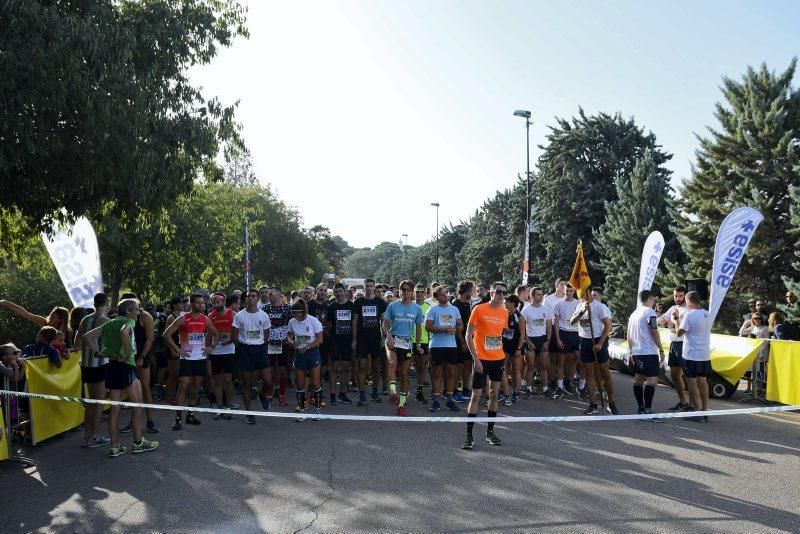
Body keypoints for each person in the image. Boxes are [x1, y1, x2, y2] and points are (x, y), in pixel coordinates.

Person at [83, 299, 159, 457]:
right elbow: (124, 332)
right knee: (137, 404)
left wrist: (97, 353)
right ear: (129, 311)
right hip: (125, 366)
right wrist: (127, 352)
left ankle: (115, 446)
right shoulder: (129, 322)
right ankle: (138, 443)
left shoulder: (109, 323)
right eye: (137, 310)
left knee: (115, 408)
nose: (139, 312)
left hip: (111, 366)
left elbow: (87, 336)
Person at [462, 282, 508, 450]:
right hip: (481, 360)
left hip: (498, 359)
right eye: (498, 292)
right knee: (476, 396)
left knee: (494, 395)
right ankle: (469, 435)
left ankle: (490, 432)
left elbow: (499, 335)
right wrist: (476, 359)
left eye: (504, 292)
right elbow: (468, 335)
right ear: (491, 292)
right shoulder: (479, 309)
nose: (501, 295)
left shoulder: (504, 313)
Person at [163, 293, 218, 430]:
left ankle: (190, 414)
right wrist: (178, 350)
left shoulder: (205, 319)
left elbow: (216, 335)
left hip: (200, 358)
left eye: (203, 303)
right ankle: (177, 418)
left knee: (195, 387)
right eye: (198, 303)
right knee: (183, 387)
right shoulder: (183, 318)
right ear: (191, 304)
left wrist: (211, 347)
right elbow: (166, 335)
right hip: (186, 359)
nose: (201, 305)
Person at [570, 287, 618, 415]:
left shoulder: (599, 306)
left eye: (583, 292)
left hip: (598, 340)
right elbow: (572, 321)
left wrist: (600, 343)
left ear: (588, 292)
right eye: (579, 292)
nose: (581, 295)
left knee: (604, 373)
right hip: (585, 341)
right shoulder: (580, 305)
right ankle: (593, 404)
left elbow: (608, 325)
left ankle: (611, 403)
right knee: (588, 373)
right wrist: (582, 312)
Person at [73, 293, 111, 448]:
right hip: (100, 364)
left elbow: (77, 342)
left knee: (91, 402)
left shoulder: (85, 319)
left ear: (94, 303)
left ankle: (87, 435)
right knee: (99, 402)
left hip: (87, 365)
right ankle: (93, 437)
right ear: (106, 303)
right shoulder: (105, 320)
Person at [382, 280, 424, 416]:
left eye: (407, 290)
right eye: (402, 289)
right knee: (392, 363)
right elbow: (385, 323)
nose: (405, 292)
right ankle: (393, 392)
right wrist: (388, 334)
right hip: (393, 339)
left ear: (412, 292)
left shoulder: (416, 308)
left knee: (404, 375)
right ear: (399, 291)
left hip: (407, 343)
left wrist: (418, 344)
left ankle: (401, 405)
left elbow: (418, 327)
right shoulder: (392, 306)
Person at [119, 292, 158, 435]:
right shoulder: (122, 316)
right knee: (130, 389)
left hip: (142, 355)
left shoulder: (145, 317)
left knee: (145, 388)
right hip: (128, 356)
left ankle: (150, 420)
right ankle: (133, 421)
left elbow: (150, 339)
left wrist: (141, 357)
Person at [231, 289, 272, 424]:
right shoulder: (239, 316)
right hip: (245, 350)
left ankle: (262, 394)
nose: (250, 298)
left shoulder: (264, 315)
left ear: (258, 298)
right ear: (245, 299)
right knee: (246, 383)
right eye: (248, 296)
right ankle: (249, 413)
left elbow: (266, 334)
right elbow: (234, 336)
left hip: (260, 349)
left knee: (268, 381)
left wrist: (259, 344)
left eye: (253, 296)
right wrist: (243, 346)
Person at [426, 286, 465, 412]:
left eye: (445, 294)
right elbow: (428, 327)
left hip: (451, 346)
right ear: (436, 297)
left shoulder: (454, 309)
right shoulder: (433, 309)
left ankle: (449, 400)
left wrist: (456, 329)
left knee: (450, 375)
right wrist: (442, 330)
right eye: (441, 295)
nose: (445, 296)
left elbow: (461, 325)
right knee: (437, 375)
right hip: (437, 346)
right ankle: (436, 401)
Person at [627, 290, 665, 419]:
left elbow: (628, 335)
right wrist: (660, 349)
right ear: (650, 298)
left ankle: (640, 408)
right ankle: (647, 410)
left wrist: (631, 351)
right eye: (653, 299)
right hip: (648, 351)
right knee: (652, 380)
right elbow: (654, 330)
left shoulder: (634, 313)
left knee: (638, 379)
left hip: (637, 351)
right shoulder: (649, 311)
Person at [352, 278, 388, 405]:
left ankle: (374, 392)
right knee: (361, 366)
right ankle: (362, 394)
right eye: (366, 286)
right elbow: (355, 322)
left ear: (374, 287)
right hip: (362, 339)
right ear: (363, 287)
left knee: (376, 367)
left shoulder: (380, 302)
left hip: (376, 338)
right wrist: (354, 340)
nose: (368, 288)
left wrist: (385, 338)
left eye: (370, 286)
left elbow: (384, 321)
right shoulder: (358, 302)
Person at [288, 299, 325, 420]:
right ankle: (302, 410)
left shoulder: (313, 321)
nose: (295, 316)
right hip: (299, 354)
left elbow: (320, 339)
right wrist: (292, 342)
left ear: (303, 311)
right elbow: (289, 335)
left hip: (312, 353)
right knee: (300, 385)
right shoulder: (292, 322)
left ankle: (318, 410)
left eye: (297, 313)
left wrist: (308, 346)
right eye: (293, 313)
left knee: (315, 384)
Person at [677, 291, 711, 422]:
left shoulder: (688, 315)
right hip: (704, 353)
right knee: (702, 381)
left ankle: (697, 410)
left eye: (686, 301)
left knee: (692, 382)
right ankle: (705, 410)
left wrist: (676, 320)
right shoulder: (707, 313)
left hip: (692, 354)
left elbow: (679, 333)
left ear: (689, 301)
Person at [658, 286, 690, 411]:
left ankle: (693, 405)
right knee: (674, 375)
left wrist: (675, 322)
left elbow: (682, 329)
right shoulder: (672, 308)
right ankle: (683, 401)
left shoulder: (688, 309)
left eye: (680, 296)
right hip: (674, 345)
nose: (677, 298)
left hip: (684, 344)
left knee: (689, 376)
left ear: (685, 295)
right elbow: (661, 320)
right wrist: (667, 323)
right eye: (676, 296)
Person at [521, 287, 557, 399]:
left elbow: (549, 328)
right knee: (530, 367)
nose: (541, 297)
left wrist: (547, 341)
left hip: (542, 341)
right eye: (538, 295)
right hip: (530, 340)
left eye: (542, 295)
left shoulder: (546, 310)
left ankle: (546, 389)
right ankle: (529, 389)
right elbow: (522, 330)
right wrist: (528, 341)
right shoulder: (526, 310)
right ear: (532, 296)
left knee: (543, 367)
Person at [209, 292, 236, 419]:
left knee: (228, 379)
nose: (215, 304)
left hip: (229, 350)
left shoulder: (233, 314)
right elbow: (209, 334)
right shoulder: (210, 315)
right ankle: (219, 405)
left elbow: (237, 332)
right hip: (215, 351)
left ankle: (229, 406)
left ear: (223, 302)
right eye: (213, 302)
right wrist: (207, 348)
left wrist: (230, 340)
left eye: (217, 302)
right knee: (217, 379)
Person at [264, 287, 293, 407]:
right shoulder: (265, 308)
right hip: (269, 343)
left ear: (279, 295)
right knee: (269, 370)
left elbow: (292, 324)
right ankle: (268, 394)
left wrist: (291, 339)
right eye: (268, 294)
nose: (268, 296)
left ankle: (281, 394)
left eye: (271, 294)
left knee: (282, 370)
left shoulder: (287, 308)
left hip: (284, 343)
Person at [326, 284, 354, 405]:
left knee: (346, 368)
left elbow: (355, 323)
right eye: (336, 292)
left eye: (340, 291)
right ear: (334, 293)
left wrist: (354, 340)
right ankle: (332, 395)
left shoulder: (351, 306)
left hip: (348, 341)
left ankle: (342, 394)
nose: (338, 293)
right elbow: (327, 325)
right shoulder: (331, 307)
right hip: (335, 342)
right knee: (334, 368)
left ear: (344, 292)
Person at [0, 300, 72, 344]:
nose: (50, 318)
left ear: (61, 320)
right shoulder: (44, 322)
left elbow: (71, 346)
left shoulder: (68, 331)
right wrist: (5, 302)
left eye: (53, 317)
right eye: (50, 315)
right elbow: (25, 313)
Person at [553, 283, 581, 396]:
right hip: (563, 333)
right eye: (567, 291)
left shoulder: (579, 304)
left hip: (576, 334)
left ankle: (569, 382)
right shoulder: (558, 304)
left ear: (574, 291)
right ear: (564, 291)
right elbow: (556, 322)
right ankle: (559, 387)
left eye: (571, 291)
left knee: (576, 359)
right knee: (561, 361)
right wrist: (558, 338)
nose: (569, 293)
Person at [452, 280, 475, 403]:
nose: (473, 292)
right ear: (466, 291)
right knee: (458, 367)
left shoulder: (467, 304)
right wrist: (463, 342)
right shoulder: (456, 305)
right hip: (458, 341)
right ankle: (454, 391)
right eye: (471, 290)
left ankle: (465, 389)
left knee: (467, 365)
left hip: (468, 340)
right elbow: (457, 327)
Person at [501, 295, 526, 406]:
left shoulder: (519, 317)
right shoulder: (504, 314)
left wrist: (519, 348)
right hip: (505, 346)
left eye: (506, 302)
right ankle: (505, 391)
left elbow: (522, 334)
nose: (505, 303)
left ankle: (515, 393)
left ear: (512, 303)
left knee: (516, 370)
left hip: (516, 347)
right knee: (503, 368)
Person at [412, 283, 431, 404]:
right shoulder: (409, 305)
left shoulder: (430, 307)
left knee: (421, 368)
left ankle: (419, 392)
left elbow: (431, 325)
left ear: (425, 293)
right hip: (408, 341)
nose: (419, 294)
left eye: (421, 292)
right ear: (414, 293)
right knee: (403, 369)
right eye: (417, 292)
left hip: (424, 341)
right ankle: (403, 392)